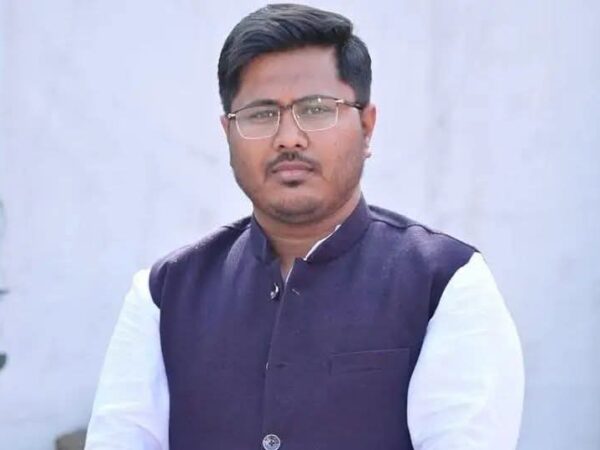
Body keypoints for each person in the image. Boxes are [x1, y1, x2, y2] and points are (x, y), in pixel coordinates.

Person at [85, 4, 524, 450]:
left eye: (316, 109)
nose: (289, 138)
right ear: (227, 133)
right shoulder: (166, 293)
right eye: (261, 114)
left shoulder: (444, 282)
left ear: (367, 127)